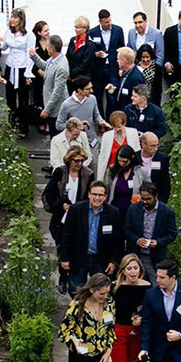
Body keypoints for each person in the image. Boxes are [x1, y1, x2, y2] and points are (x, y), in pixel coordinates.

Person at [43, 146, 93, 290]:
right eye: (76, 161)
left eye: (82, 161)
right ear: (69, 160)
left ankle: (74, 276)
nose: (79, 164)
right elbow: (49, 194)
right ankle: (63, 277)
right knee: (62, 248)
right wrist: (61, 205)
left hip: (79, 218)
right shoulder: (60, 172)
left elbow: (89, 196)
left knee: (76, 247)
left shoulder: (88, 174)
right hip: (61, 219)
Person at [61, 181, 123, 290]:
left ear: (105, 197)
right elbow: (66, 235)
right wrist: (65, 258)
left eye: (100, 195)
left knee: (102, 290)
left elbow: (118, 240)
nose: (97, 198)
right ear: (89, 194)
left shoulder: (113, 213)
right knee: (75, 290)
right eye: (94, 194)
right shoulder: (76, 209)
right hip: (79, 257)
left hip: (101, 259)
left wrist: (114, 261)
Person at [124, 183, 177, 278]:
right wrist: (137, 240)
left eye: (148, 199)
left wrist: (158, 242)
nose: (145, 202)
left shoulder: (167, 212)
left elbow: (172, 234)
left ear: (156, 196)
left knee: (156, 283)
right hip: (136, 254)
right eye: (142, 199)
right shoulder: (133, 209)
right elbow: (127, 230)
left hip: (155, 256)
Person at [2, 8, 38, 137]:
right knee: (10, 97)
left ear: (21, 20)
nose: (13, 20)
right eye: (12, 17)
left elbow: (30, 55)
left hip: (22, 68)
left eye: (15, 17)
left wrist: (28, 74)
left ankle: (23, 127)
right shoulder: (8, 32)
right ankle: (11, 124)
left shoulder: (29, 35)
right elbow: (4, 46)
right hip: (10, 66)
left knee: (23, 98)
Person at [90, 9, 122, 111]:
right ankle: (101, 122)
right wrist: (96, 54)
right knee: (97, 96)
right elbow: (90, 51)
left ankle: (111, 121)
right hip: (99, 69)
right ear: (100, 21)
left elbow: (121, 48)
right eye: (106, 22)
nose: (109, 24)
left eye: (110, 21)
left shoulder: (118, 30)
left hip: (113, 68)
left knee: (112, 96)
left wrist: (121, 67)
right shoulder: (93, 32)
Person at [40, 34, 71, 133]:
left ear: (52, 49)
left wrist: (47, 110)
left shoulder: (61, 66)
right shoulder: (53, 59)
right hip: (51, 104)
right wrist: (33, 56)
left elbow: (57, 91)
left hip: (57, 108)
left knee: (56, 134)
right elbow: (45, 66)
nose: (46, 48)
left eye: (47, 46)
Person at [96, 110, 140, 180]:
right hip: (111, 171)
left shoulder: (133, 133)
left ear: (124, 123)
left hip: (129, 170)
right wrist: (99, 178)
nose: (116, 129)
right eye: (114, 127)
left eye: (119, 127)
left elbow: (137, 153)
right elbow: (102, 157)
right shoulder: (106, 136)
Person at [106, 47, 147, 113]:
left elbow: (139, 100)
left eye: (118, 59)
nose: (117, 61)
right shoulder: (126, 73)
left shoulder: (136, 78)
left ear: (124, 60)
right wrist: (114, 90)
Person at [136, 131, 171, 202]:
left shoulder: (162, 159)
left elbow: (166, 183)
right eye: (152, 146)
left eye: (157, 145)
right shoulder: (135, 157)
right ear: (143, 144)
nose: (156, 149)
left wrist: (162, 202)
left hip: (156, 199)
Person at [65, 16, 99, 88]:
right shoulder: (72, 40)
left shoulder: (90, 45)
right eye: (75, 27)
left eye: (78, 27)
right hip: (70, 78)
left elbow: (85, 64)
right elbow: (67, 57)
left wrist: (72, 74)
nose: (76, 29)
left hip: (82, 79)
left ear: (85, 29)